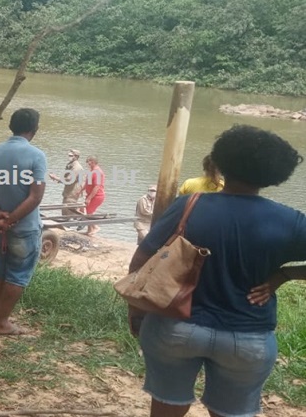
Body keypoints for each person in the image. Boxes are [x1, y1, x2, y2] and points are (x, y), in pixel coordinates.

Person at [129, 124, 306, 417]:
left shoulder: (189, 204)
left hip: (175, 327)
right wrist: (284, 275)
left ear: (222, 162)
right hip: (247, 338)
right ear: (276, 173)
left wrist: (136, 311)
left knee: (166, 406)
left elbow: (140, 261)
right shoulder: (291, 221)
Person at [0, 108, 47, 336]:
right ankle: (1, 322)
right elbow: (35, 196)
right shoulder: (37, 156)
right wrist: (12, 219)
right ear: (34, 129)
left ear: (10, 127)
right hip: (23, 228)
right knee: (17, 273)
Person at [49, 148, 83, 217]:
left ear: (76, 157)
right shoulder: (70, 165)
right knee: (66, 211)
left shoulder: (77, 167)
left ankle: (82, 219)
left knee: (68, 211)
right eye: (69, 155)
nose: (69, 157)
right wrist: (57, 179)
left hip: (72, 192)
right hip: (68, 191)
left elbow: (69, 179)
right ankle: (79, 220)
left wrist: (56, 178)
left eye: (71, 156)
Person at [78, 155, 105, 236]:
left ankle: (95, 227)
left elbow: (97, 186)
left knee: (89, 212)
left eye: (88, 162)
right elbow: (87, 183)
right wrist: (80, 190)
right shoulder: (92, 171)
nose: (87, 163)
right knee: (85, 210)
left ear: (93, 162)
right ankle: (89, 231)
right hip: (91, 195)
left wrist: (89, 198)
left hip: (97, 196)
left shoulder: (97, 172)